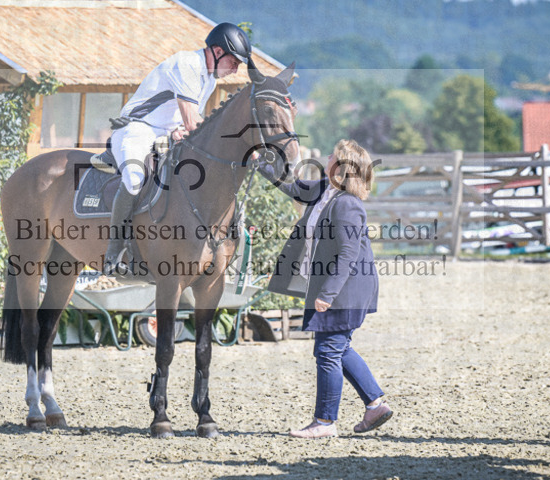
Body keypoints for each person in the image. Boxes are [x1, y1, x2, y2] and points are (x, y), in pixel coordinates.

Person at [261, 139, 391, 438]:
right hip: (338, 287)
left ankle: (325, 422)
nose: (327, 156)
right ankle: (375, 406)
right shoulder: (325, 190)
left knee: (328, 351)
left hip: (345, 290)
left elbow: (348, 254)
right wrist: (262, 164)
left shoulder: (347, 205)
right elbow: (293, 188)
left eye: (332, 154)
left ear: (342, 167)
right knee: (339, 347)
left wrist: (327, 294)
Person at [103, 22, 252, 275]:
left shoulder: (209, 80)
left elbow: (187, 124)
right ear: (217, 52)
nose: (236, 70)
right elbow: (194, 123)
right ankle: (114, 252)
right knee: (135, 180)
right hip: (136, 129)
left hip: (163, 133)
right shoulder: (187, 64)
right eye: (234, 62)